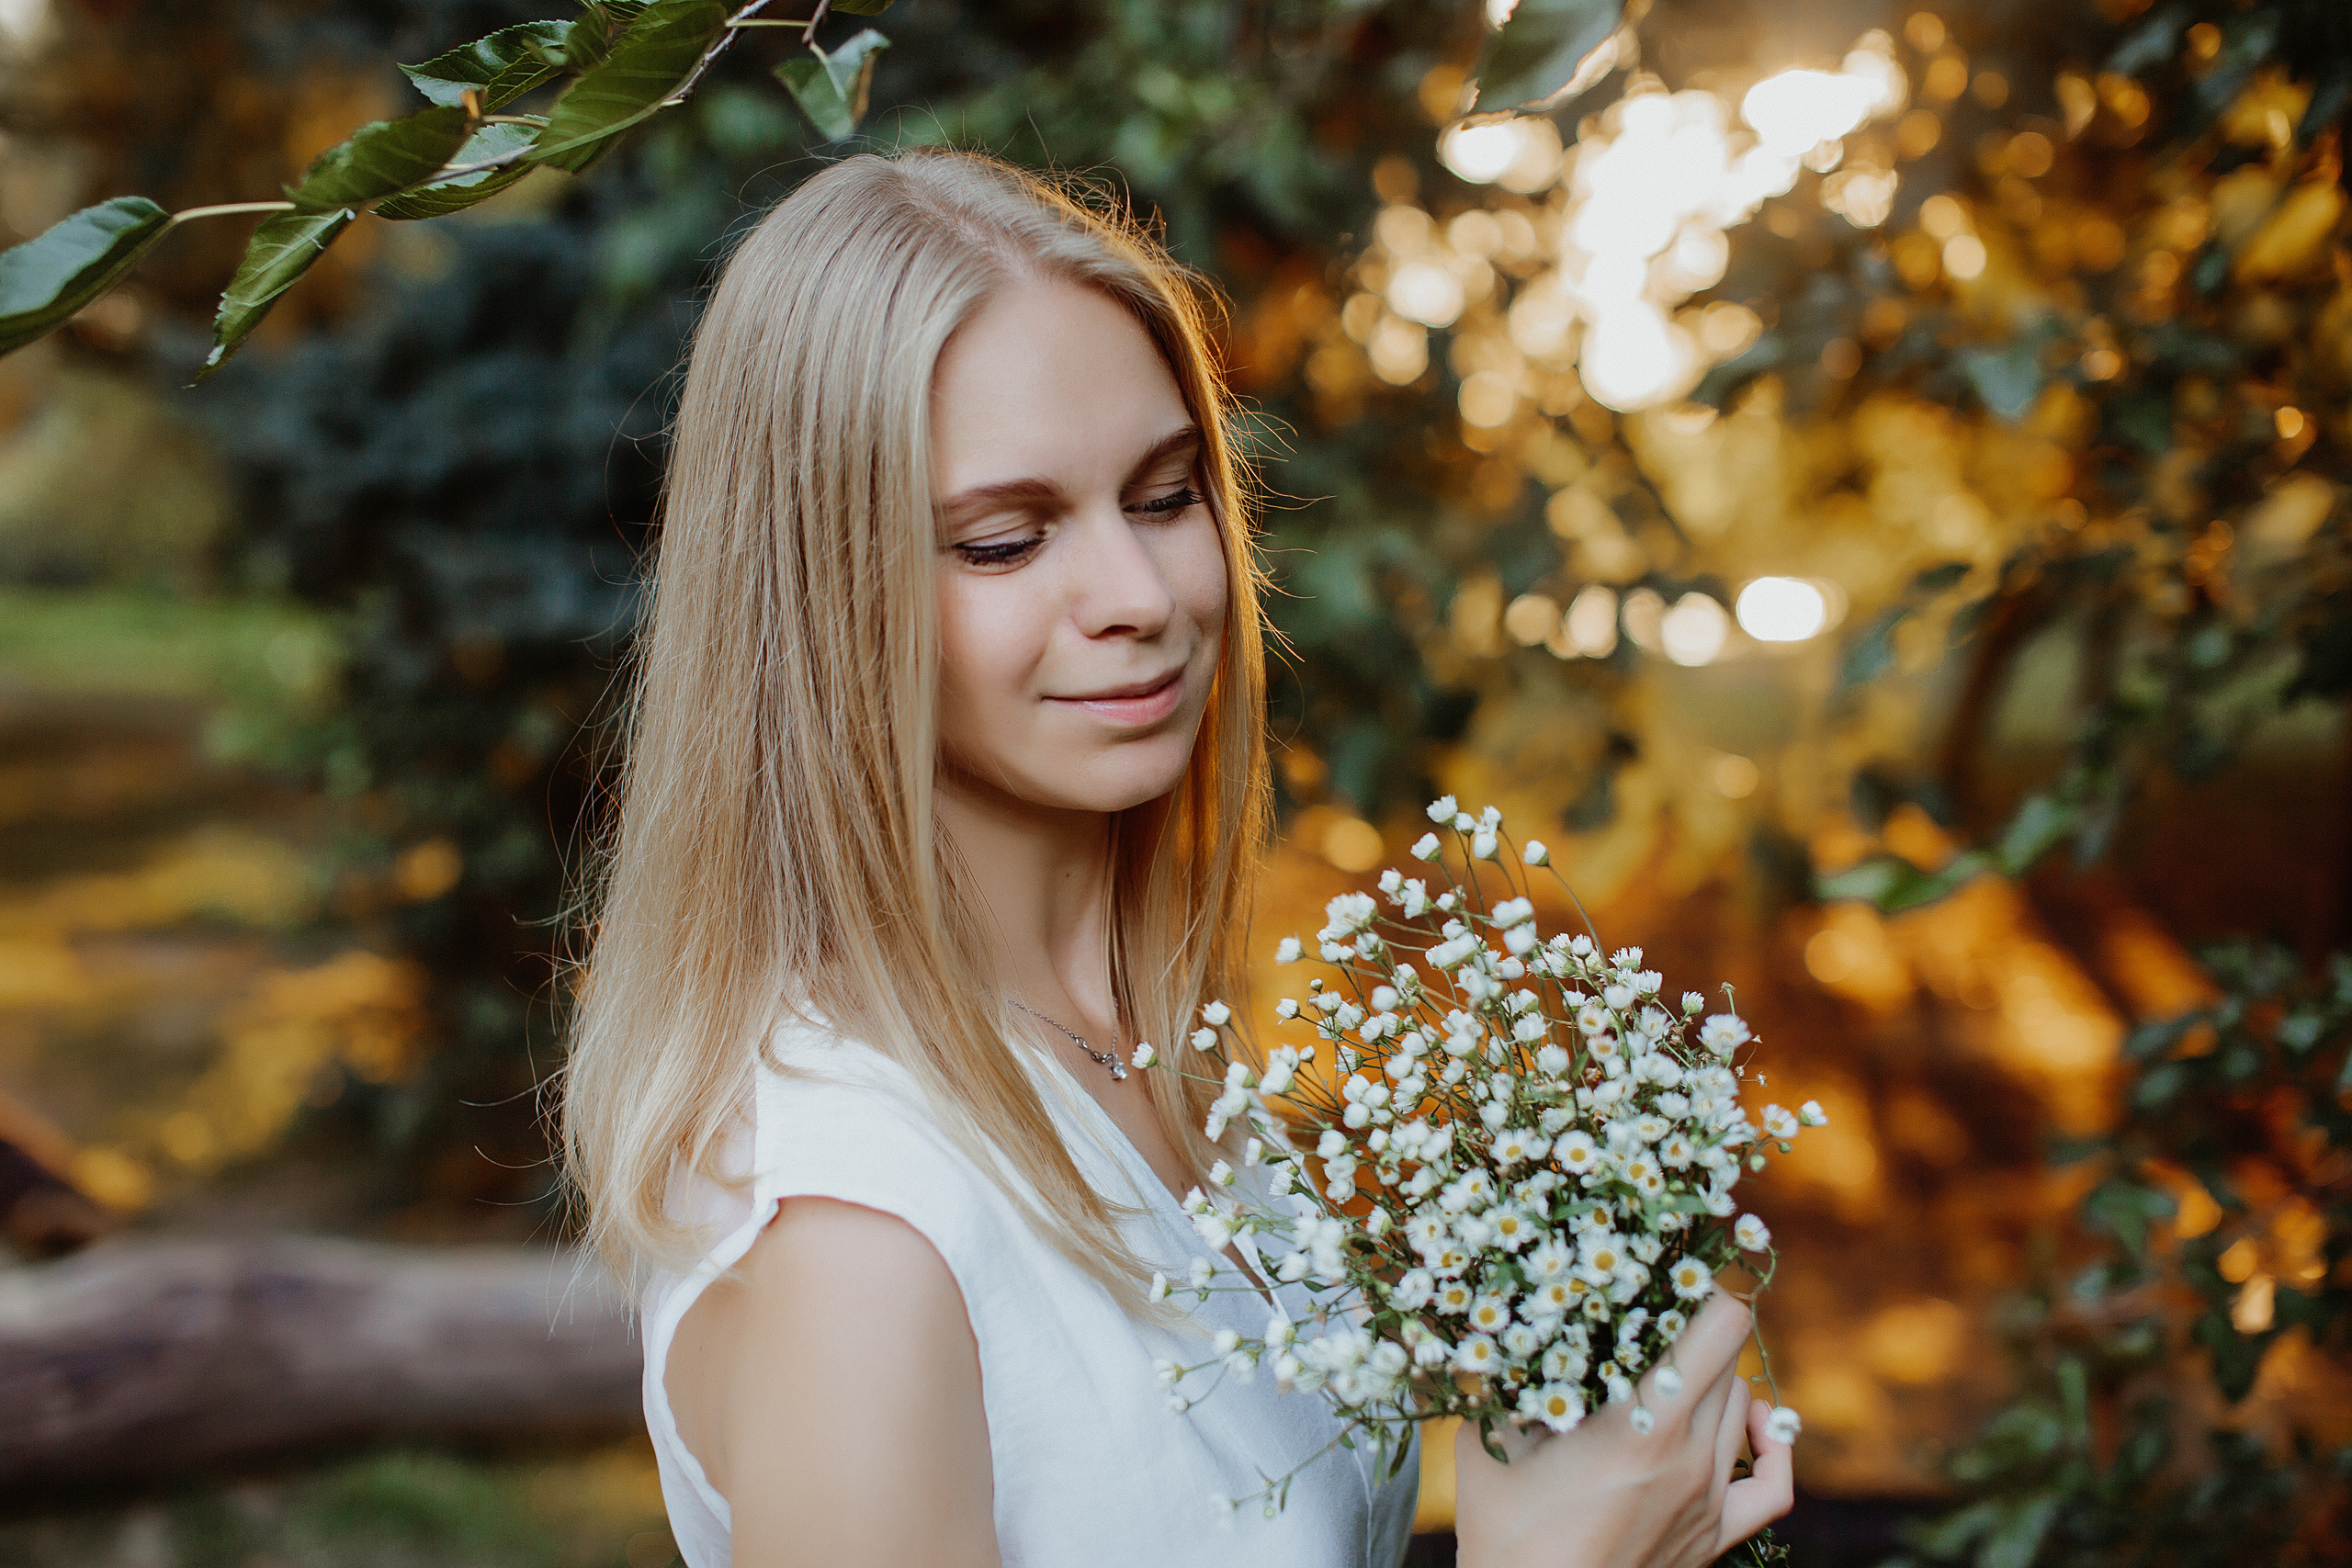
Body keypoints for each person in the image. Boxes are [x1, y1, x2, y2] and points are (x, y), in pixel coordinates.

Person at [560, 147, 1793, 1568]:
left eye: (1163, 498)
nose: (1142, 598)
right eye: (1007, 541)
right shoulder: (852, 1243)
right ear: (818, 595)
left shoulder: (1161, 1060)